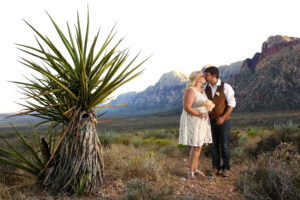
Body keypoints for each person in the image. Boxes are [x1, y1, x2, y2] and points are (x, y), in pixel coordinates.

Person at [178, 71, 213, 180]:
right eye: (202, 76)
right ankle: (190, 172)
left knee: (199, 146)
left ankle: (195, 168)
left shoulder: (202, 91)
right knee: (196, 146)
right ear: (197, 79)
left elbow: (204, 104)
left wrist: (207, 110)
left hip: (201, 121)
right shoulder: (190, 90)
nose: (204, 77)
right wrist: (200, 114)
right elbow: (187, 107)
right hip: (193, 119)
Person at [204, 66, 236, 177]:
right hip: (210, 122)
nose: (205, 77)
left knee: (225, 145)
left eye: (206, 74)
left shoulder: (226, 87)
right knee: (214, 145)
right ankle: (215, 167)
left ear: (213, 75)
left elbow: (232, 104)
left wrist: (223, 117)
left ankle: (226, 168)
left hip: (224, 121)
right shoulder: (206, 88)